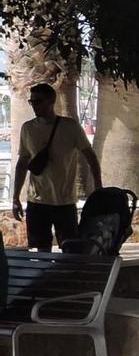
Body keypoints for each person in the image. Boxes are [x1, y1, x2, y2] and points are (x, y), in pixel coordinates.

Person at [11, 82, 102, 252]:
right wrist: (15, 198)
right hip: (37, 201)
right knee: (41, 250)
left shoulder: (70, 127)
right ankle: (46, 279)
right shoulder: (28, 128)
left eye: (38, 101)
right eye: (32, 102)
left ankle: (67, 278)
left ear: (51, 101)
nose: (34, 106)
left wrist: (98, 185)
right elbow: (22, 163)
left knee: (71, 249)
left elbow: (90, 156)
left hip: (64, 202)